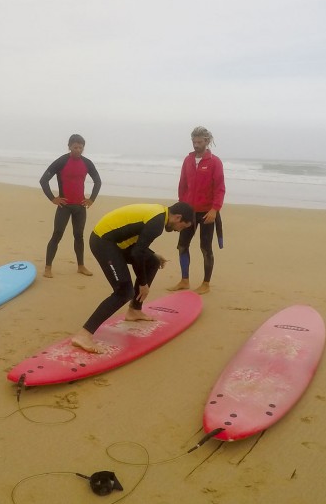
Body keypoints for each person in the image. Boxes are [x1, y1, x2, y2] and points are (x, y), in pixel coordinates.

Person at [70, 202, 194, 353]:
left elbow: (136, 241)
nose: (178, 231)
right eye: (182, 226)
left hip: (115, 242)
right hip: (103, 242)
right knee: (123, 291)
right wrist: (143, 283)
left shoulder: (160, 214)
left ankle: (134, 310)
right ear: (178, 217)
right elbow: (136, 254)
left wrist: (152, 254)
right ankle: (84, 335)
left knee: (153, 261)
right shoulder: (157, 223)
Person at [39, 133, 102, 278]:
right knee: (57, 235)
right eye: (75, 147)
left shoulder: (87, 163)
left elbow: (98, 181)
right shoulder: (61, 161)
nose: (78, 150)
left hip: (80, 207)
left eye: (81, 147)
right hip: (64, 206)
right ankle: (48, 267)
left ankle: (81, 266)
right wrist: (53, 198)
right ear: (69, 147)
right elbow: (43, 180)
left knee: (79, 236)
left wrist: (91, 199)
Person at [171, 126, 225, 294]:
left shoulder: (214, 162)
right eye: (194, 141)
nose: (196, 145)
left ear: (207, 141)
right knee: (182, 246)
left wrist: (215, 210)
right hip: (188, 211)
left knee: (205, 248)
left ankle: (206, 284)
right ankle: (184, 280)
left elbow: (220, 188)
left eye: (199, 142)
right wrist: (181, 206)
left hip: (207, 212)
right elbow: (182, 184)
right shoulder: (188, 160)